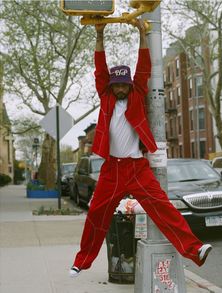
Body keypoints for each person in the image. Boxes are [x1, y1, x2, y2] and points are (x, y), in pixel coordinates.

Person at [70, 19, 212, 277]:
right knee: (96, 214)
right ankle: (82, 261)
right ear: (112, 85)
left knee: (163, 207)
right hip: (112, 168)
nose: (121, 88)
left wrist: (143, 33)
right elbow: (99, 69)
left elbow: (143, 67)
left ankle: (195, 249)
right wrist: (100, 35)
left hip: (137, 168)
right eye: (118, 85)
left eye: (125, 84)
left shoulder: (137, 94)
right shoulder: (106, 97)